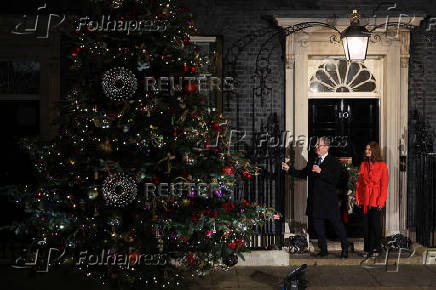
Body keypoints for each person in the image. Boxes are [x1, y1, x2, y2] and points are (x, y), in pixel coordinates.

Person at [282, 137, 349, 258]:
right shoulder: (313, 160)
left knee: (337, 225)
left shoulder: (334, 162)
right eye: (316, 145)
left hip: (329, 201)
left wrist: (321, 171)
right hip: (315, 200)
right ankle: (323, 250)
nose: (316, 147)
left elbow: (335, 180)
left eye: (319, 145)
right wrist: (289, 169)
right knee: (318, 227)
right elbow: (303, 173)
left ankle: (345, 248)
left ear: (326, 147)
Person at [355, 141, 389, 257]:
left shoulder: (382, 165)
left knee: (375, 225)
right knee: (366, 225)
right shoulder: (363, 164)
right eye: (366, 149)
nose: (367, 151)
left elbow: (384, 185)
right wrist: (358, 197)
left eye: (369, 149)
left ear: (374, 151)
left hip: (375, 199)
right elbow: (359, 183)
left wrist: (381, 201)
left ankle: (376, 248)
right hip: (365, 198)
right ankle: (367, 249)